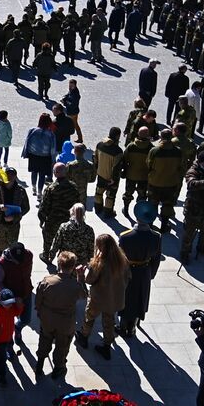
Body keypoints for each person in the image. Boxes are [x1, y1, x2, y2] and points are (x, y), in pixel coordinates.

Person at [34, 251, 87, 379]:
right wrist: (81, 277)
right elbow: (84, 295)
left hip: (48, 319)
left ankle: (39, 365)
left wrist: (41, 313)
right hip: (66, 323)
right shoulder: (75, 285)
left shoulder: (47, 281)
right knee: (62, 346)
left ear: (59, 264)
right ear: (73, 267)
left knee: (45, 340)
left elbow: (38, 301)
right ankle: (58, 369)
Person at [78, 233, 129, 359]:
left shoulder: (100, 263)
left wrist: (82, 274)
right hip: (113, 299)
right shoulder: (122, 260)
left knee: (89, 317)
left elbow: (89, 280)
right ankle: (106, 346)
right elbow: (128, 277)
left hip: (98, 298)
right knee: (109, 322)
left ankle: (84, 337)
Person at [117, 201, 163, 338]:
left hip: (128, 271)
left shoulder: (125, 236)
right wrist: (151, 274)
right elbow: (156, 259)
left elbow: (119, 257)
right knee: (140, 299)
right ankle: (132, 326)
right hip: (144, 271)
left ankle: (123, 325)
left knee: (126, 298)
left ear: (136, 217)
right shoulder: (156, 237)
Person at [38, 162, 81, 261]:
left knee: (48, 238)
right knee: (66, 240)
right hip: (68, 220)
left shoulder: (51, 188)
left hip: (53, 221)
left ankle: (46, 256)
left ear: (55, 173)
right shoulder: (73, 186)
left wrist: (41, 220)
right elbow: (78, 203)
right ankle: (64, 260)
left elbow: (44, 207)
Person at [0, 168, 30, 253]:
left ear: (15, 177)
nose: (9, 177)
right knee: (1, 246)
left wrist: (14, 217)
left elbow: (26, 208)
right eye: (7, 175)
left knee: (12, 247)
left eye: (12, 175)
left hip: (13, 225)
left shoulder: (20, 191)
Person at [0, 288, 23, 386]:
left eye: (11, 303)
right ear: (0, 302)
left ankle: (8, 353)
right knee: (2, 361)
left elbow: (17, 312)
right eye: (7, 303)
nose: (10, 305)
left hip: (8, 337)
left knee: (9, 346)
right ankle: (2, 377)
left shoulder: (11, 308)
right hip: (0, 342)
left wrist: (20, 305)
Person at [22, 112, 57, 196]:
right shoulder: (50, 134)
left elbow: (27, 142)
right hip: (45, 157)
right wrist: (53, 160)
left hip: (33, 155)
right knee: (42, 175)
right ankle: (39, 192)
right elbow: (52, 148)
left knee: (34, 172)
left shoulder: (33, 130)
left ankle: (33, 188)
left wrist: (26, 153)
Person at [50, 202, 95, 267]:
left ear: (72, 212)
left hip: (65, 260)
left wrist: (51, 257)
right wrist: (90, 262)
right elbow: (91, 248)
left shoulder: (64, 227)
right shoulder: (89, 230)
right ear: (83, 214)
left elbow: (56, 243)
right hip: (81, 263)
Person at [93, 127, 124, 218]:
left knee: (99, 192)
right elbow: (117, 167)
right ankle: (108, 212)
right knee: (110, 196)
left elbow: (95, 159)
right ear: (118, 136)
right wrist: (114, 179)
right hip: (111, 177)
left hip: (101, 174)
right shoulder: (117, 151)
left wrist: (97, 170)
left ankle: (98, 209)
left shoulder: (99, 145)